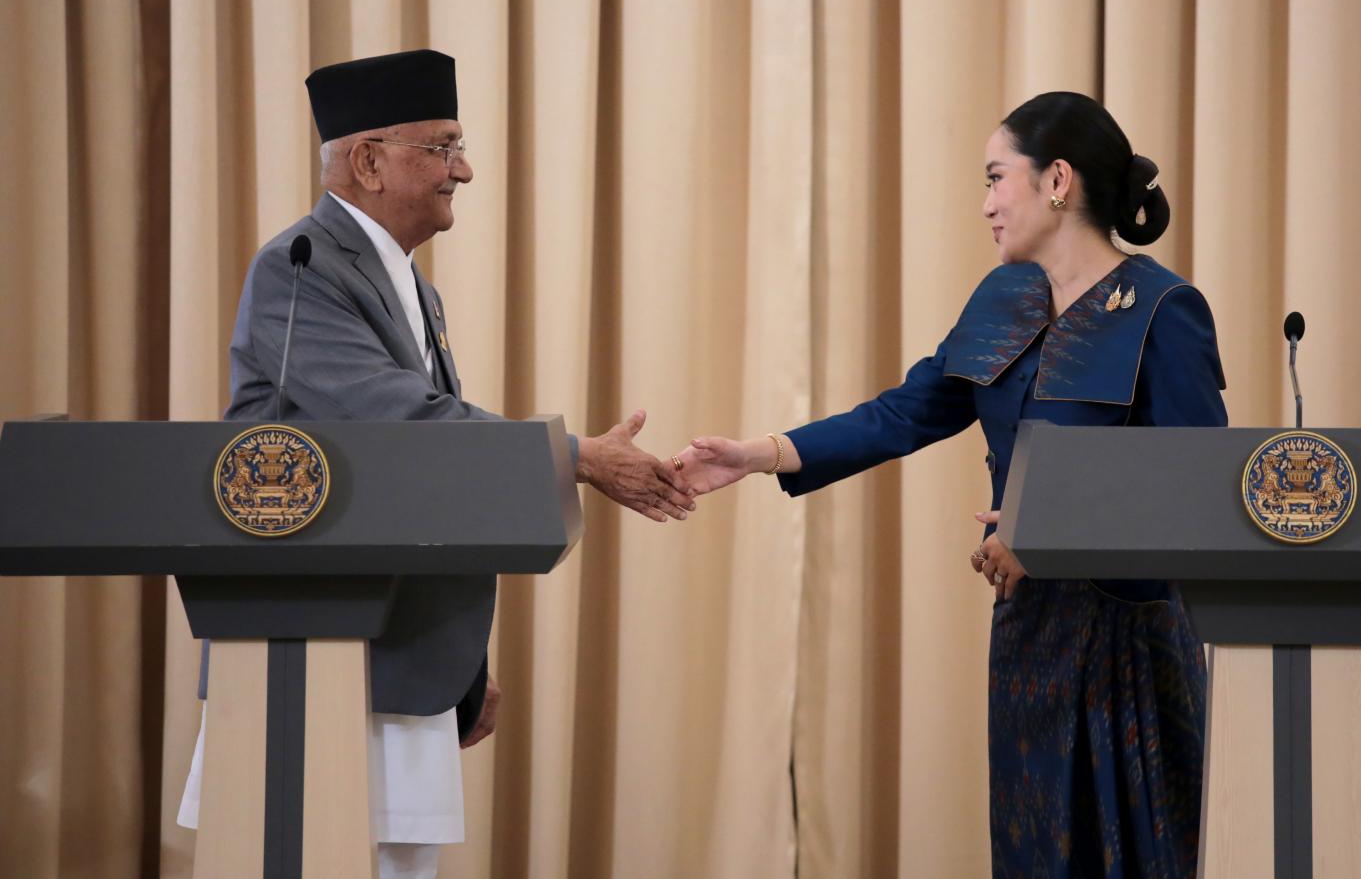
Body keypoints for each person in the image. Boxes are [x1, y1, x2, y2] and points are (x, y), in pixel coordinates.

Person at [675, 91, 1226, 877]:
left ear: (1057, 180)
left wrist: (1050, 533)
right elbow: (904, 412)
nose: (986, 204)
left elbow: (1197, 492)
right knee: (1036, 855)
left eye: (997, 178)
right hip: (1029, 636)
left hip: (1129, 648)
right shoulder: (1004, 298)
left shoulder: (1164, 309)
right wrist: (759, 454)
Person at [176, 49, 696, 878]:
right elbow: (405, 425)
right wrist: (578, 459)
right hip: (311, 661)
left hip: (393, 657)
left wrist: (461, 665)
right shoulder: (297, 269)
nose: (465, 169)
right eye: (443, 147)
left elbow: (420, 486)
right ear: (369, 161)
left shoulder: (414, 286)